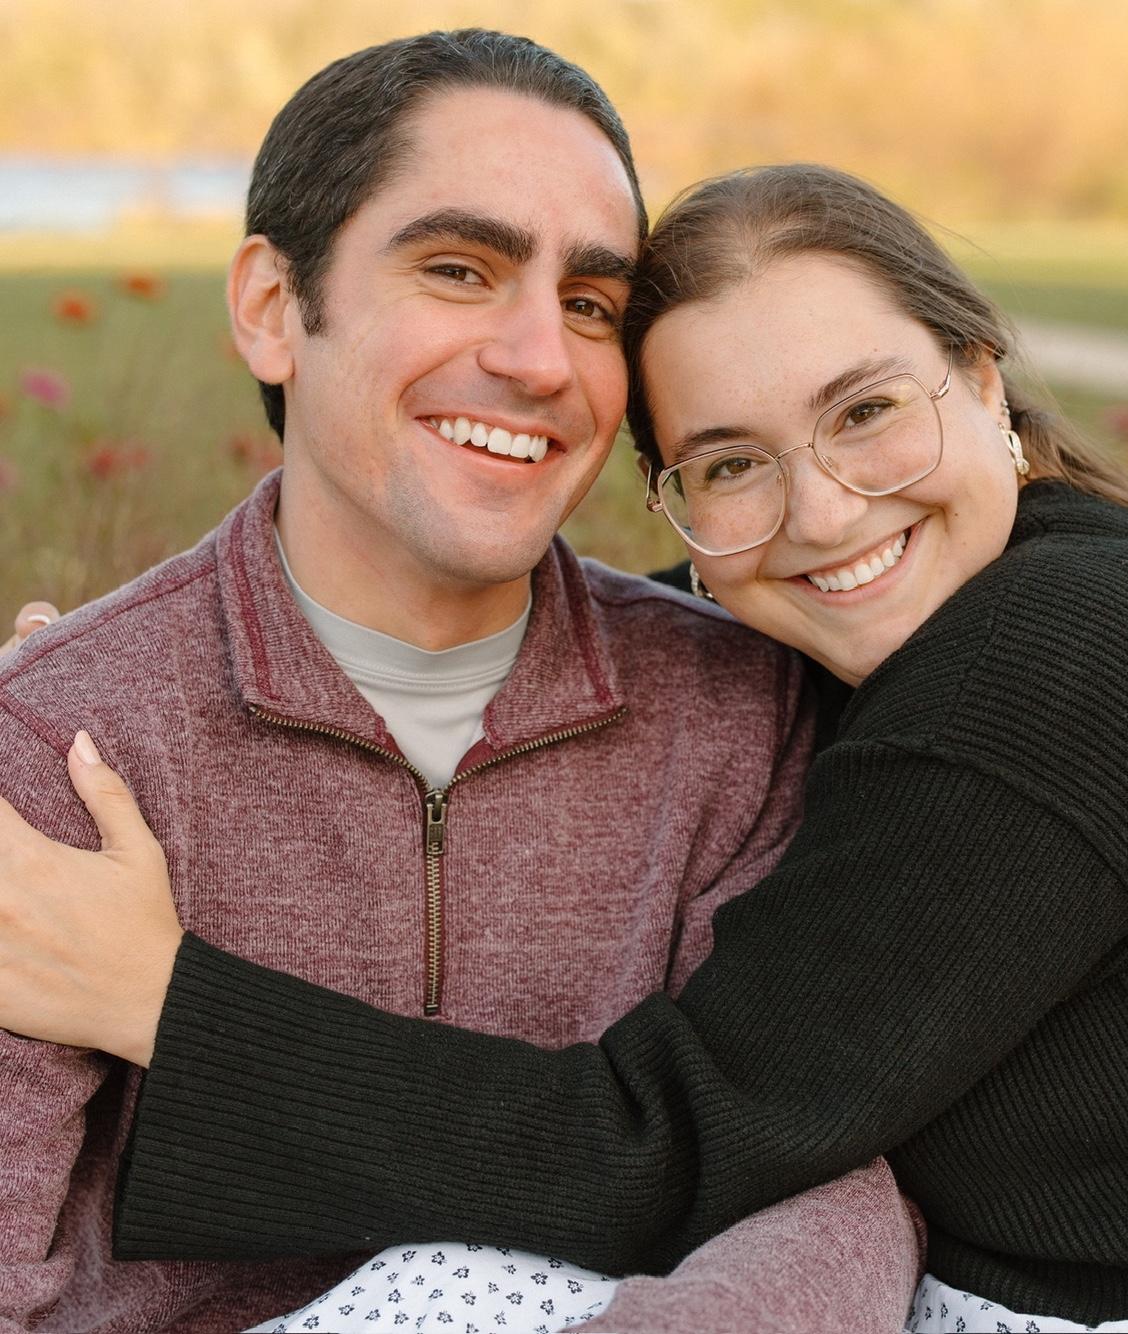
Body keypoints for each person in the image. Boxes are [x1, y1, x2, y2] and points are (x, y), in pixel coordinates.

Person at [4, 164, 1128, 1331]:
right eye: (732, 465)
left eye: (865, 411)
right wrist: (135, 662)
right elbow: (670, 617)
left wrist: (156, 1001)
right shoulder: (1012, 584)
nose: (823, 513)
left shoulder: (1054, 658)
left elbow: (665, 1146)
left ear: (983, 381)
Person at [0, 37, 922, 1334]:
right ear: (272, 307)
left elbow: (810, 1178)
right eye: (457, 270)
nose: (541, 358)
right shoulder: (57, 742)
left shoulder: (737, 713)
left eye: (590, 303)